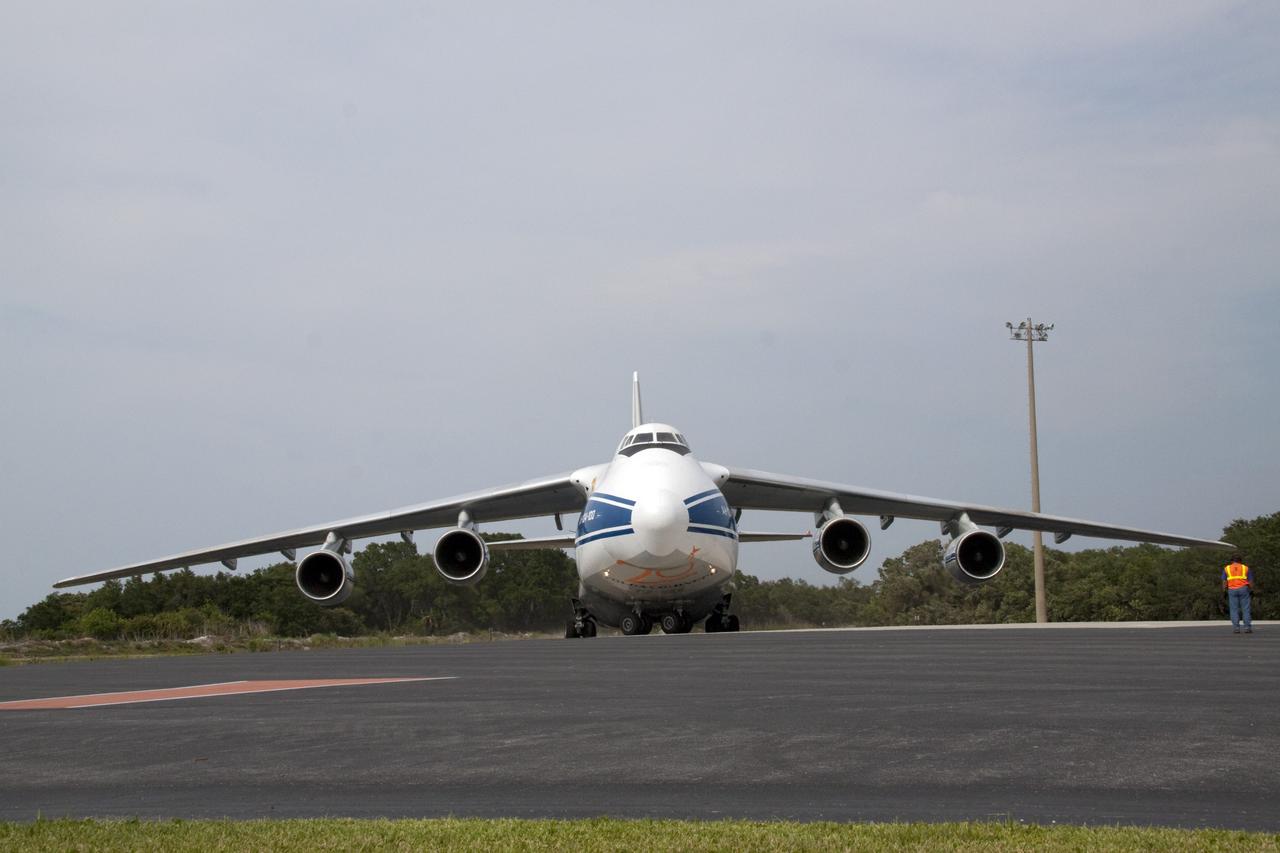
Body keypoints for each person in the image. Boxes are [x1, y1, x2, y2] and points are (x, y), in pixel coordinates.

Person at [1223, 554, 1255, 634]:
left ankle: (1236, 628)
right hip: (1244, 589)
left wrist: (1224, 590)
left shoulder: (1227, 568)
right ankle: (1247, 628)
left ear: (1232, 561)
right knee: (1246, 609)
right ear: (1240, 561)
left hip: (1232, 590)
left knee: (1234, 610)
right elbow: (1250, 581)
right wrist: (1252, 589)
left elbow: (1224, 581)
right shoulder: (1245, 568)